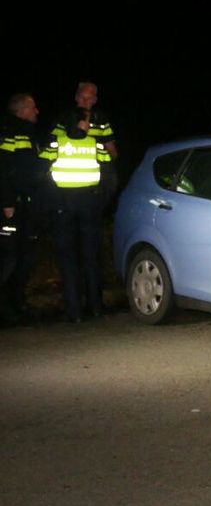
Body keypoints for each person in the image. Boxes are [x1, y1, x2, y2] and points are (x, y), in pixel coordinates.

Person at [39, 108, 113, 323]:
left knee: (68, 259)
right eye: (88, 121)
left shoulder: (56, 144)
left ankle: (74, 311)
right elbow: (108, 174)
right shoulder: (94, 144)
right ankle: (96, 307)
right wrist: (100, 201)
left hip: (63, 208)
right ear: (81, 123)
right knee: (91, 257)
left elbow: (41, 172)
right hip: (89, 207)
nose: (89, 124)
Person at [1, 93, 48, 325]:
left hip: (29, 205)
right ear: (20, 110)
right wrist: (7, 202)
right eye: (32, 107)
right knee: (9, 257)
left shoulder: (31, 134)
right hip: (12, 208)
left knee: (26, 256)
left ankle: (17, 304)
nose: (36, 111)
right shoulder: (10, 132)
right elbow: (4, 169)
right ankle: (7, 308)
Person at [58, 82, 118, 207]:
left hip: (94, 182)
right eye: (82, 97)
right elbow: (53, 145)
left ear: (95, 100)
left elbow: (111, 149)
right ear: (76, 97)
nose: (85, 101)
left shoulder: (101, 119)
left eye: (89, 98)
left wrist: (110, 170)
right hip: (67, 180)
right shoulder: (64, 118)